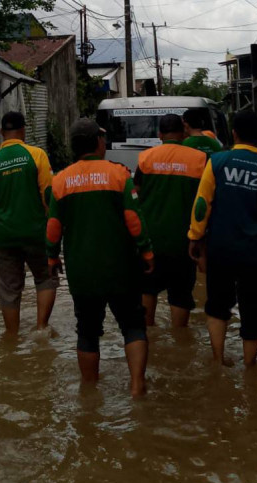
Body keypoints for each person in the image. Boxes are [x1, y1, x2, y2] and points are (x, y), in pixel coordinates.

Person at [46, 118, 154, 397]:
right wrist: (146, 251)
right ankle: (136, 385)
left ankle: (90, 391)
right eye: (103, 139)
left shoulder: (60, 181)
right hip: (121, 267)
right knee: (132, 324)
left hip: (82, 271)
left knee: (87, 331)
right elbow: (134, 219)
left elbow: (53, 228)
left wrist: (51, 258)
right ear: (97, 143)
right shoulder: (119, 175)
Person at [188, 110, 257, 366]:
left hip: (220, 249)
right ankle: (250, 367)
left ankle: (218, 360)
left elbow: (202, 204)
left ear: (234, 134)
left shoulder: (216, 162)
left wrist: (195, 237)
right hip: (254, 253)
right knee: (253, 311)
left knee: (217, 306)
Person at [0, 111, 57, 336]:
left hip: (4, 236)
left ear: (2, 133)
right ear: (23, 131)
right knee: (45, 277)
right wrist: (53, 229)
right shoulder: (37, 155)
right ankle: (42, 327)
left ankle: (11, 336)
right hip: (36, 233)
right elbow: (48, 196)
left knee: (9, 288)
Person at [134, 114, 207, 328]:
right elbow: (206, 201)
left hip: (150, 240)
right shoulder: (199, 159)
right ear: (183, 133)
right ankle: (180, 340)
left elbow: (136, 193)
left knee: (148, 289)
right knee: (181, 294)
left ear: (159, 135)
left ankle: (150, 337)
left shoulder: (146, 158)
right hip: (184, 241)